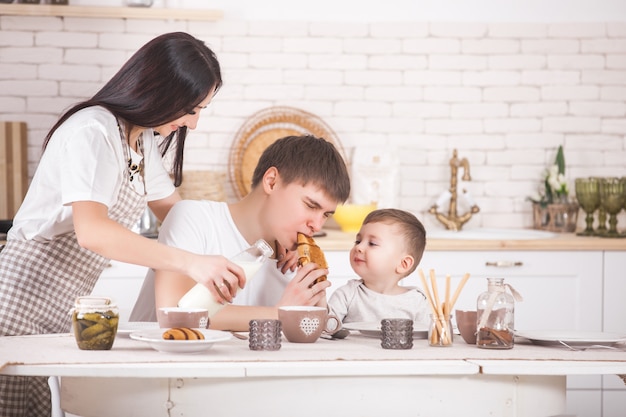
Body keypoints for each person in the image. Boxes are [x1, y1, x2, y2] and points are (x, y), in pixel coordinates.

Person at [0, 32, 251, 417]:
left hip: (61, 303)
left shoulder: (141, 140)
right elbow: (93, 231)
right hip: (19, 295)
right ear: (159, 92)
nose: (193, 124)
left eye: (201, 110)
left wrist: (249, 245)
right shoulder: (93, 131)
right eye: (190, 109)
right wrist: (191, 263)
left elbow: (177, 212)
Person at [129, 134, 351, 331]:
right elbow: (175, 317)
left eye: (326, 214)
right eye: (311, 206)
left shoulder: (291, 264)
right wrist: (280, 315)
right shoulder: (194, 218)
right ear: (272, 182)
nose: (317, 225)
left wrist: (317, 301)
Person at [326, 208, 430, 325]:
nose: (358, 247)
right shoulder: (347, 295)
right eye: (358, 241)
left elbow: (426, 339)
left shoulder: (416, 301)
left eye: (372, 243)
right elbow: (326, 330)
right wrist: (319, 299)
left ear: (403, 264)